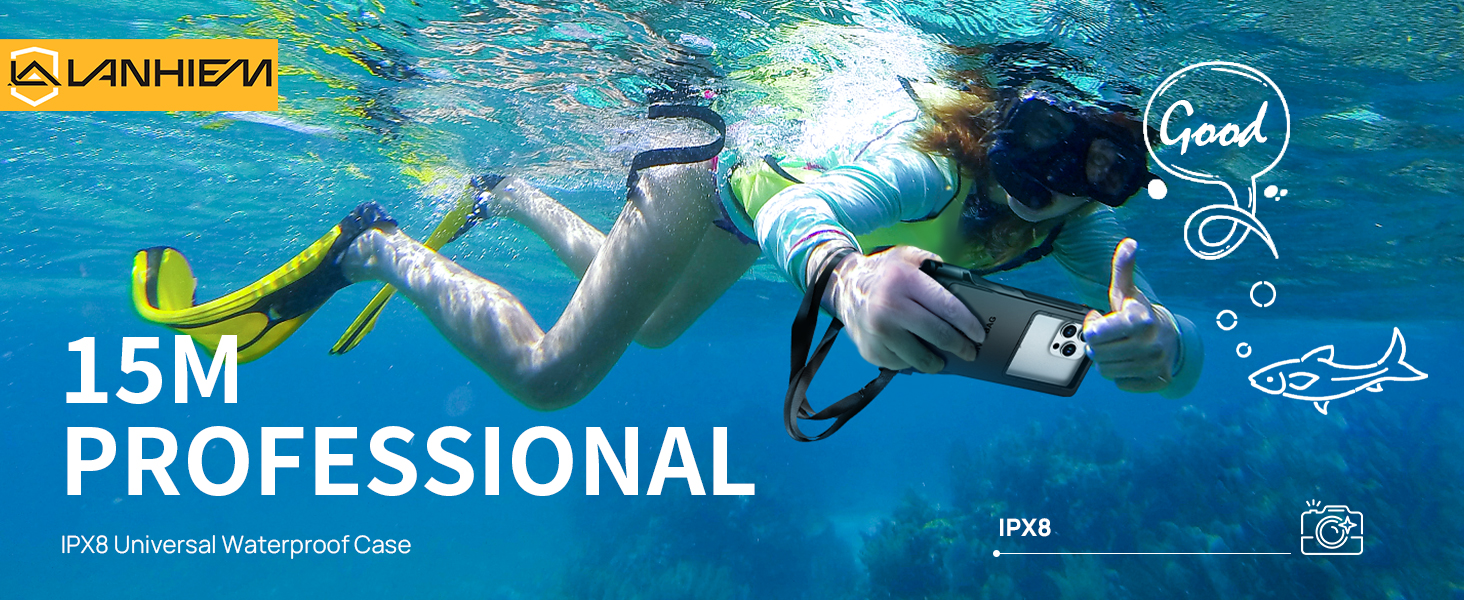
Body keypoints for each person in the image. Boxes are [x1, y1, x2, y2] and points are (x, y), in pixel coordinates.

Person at [132, 78, 1202, 410]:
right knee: (551, 377)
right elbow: (792, 206)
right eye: (1041, 138)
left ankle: (512, 192)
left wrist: (1168, 348)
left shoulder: (1078, 233)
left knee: (648, 333)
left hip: (730, 204)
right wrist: (843, 276)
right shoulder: (931, 168)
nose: (1060, 176)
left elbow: (1166, 332)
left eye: (1102, 167)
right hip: (707, 176)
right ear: (999, 122)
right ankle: (372, 248)